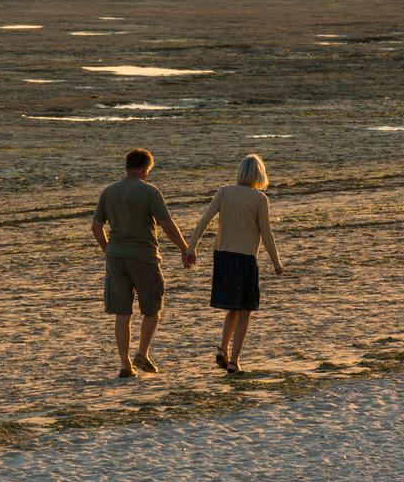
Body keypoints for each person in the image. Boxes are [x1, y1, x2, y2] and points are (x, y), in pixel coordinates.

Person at [91, 148, 196, 378]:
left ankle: (124, 364)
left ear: (127, 166)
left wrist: (108, 249)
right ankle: (142, 352)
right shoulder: (150, 192)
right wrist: (184, 248)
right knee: (152, 308)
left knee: (122, 313)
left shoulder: (108, 192)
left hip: (116, 258)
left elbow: (96, 227)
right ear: (145, 168)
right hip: (143, 257)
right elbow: (166, 224)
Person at [186, 154, 285, 374]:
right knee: (245, 311)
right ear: (260, 174)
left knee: (232, 307)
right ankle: (234, 361)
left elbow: (204, 220)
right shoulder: (259, 199)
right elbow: (266, 233)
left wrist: (191, 247)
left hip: (222, 256)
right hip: (245, 258)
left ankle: (223, 349)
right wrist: (276, 262)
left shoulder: (224, 192)